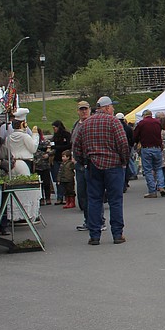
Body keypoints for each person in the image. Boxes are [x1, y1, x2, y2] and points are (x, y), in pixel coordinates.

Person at [71, 96, 130, 245]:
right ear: (107, 108)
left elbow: (76, 146)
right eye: (112, 107)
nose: (113, 109)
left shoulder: (86, 124)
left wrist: (83, 161)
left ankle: (94, 235)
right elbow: (123, 143)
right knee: (115, 200)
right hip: (113, 165)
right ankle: (117, 234)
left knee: (94, 200)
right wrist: (124, 161)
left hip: (93, 165)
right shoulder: (114, 122)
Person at [5, 111, 41, 221]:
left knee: (15, 189)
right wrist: (35, 135)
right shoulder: (25, 136)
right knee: (26, 189)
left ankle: (15, 213)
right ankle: (27, 213)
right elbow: (33, 148)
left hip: (13, 162)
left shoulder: (9, 138)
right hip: (24, 162)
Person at [133, 109, 165, 198]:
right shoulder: (157, 123)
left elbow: (135, 136)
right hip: (157, 148)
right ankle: (161, 186)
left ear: (144, 115)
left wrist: (137, 142)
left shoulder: (141, 123)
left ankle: (152, 191)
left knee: (148, 170)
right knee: (158, 168)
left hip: (146, 148)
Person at [72, 101, 92, 229]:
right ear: (78, 111)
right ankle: (88, 220)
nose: (84, 111)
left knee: (93, 193)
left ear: (89, 110)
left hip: (89, 162)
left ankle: (97, 220)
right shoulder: (76, 125)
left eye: (85, 109)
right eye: (81, 109)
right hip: (78, 163)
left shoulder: (91, 123)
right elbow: (73, 142)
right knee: (82, 194)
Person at [49, 120, 71, 204]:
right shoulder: (55, 136)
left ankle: (66, 196)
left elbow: (69, 145)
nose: (54, 129)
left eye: (55, 127)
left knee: (66, 178)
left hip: (65, 158)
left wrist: (57, 147)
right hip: (56, 158)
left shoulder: (66, 134)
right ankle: (59, 197)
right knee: (58, 179)